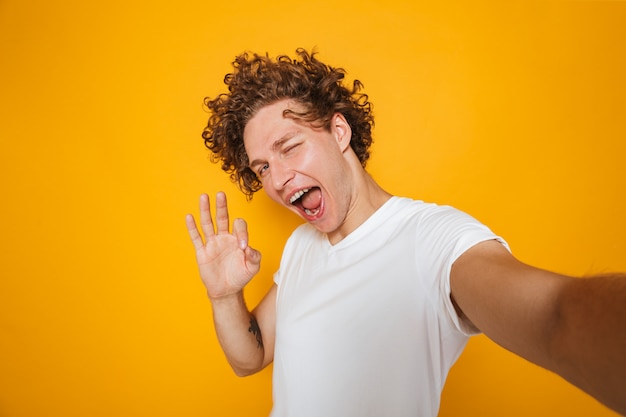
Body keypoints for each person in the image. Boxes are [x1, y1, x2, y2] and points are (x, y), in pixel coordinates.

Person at [185, 48, 626, 417]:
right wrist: (224, 295)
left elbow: (553, 318)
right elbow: (251, 358)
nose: (277, 179)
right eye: (262, 167)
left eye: (289, 146)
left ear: (339, 131)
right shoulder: (303, 245)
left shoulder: (432, 239)